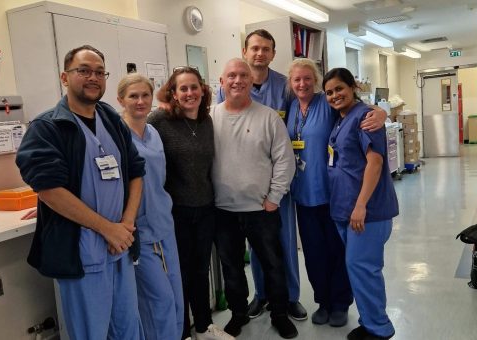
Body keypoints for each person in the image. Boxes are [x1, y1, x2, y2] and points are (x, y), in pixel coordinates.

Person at [15, 45, 145, 340]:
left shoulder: (111, 119)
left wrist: (125, 224)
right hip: (82, 252)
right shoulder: (48, 127)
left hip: (120, 247)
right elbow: (48, 189)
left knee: (128, 329)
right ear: (65, 76)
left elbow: (137, 172)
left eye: (100, 72)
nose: (93, 77)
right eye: (84, 70)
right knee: (91, 333)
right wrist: (108, 230)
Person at [217, 28, 306, 321]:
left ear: (273, 54)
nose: (259, 53)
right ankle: (262, 295)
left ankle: (290, 298)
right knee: (256, 251)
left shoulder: (285, 86)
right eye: (254, 48)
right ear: (245, 51)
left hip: (277, 184)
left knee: (281, 245)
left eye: (266, 49)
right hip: (237, 192)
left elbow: (307, 111)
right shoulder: (227, 87)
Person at [148, 67, 234, 340]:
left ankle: (204, 327)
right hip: (177, 212)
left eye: (193, 87)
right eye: (182, 89)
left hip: (206, 208)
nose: (189, 93)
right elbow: (132, 129)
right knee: (180, 273)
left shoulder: (206, 121)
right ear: (173, 94)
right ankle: (182, 331)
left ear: (203, 90)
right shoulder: (160, 120)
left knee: (201, 270)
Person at [322, 67, 398, 340]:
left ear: (352, 86)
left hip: (367, 212)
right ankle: (370, 321)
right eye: (329, 92)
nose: (334, 95)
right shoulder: (341, 118)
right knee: (358, 268)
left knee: (364, 268)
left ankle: (379, 328)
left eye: (339, 89)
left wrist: (361, 204)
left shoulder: (366, 118)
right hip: (345, 209)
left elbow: (375, 162)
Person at [286, 58, 354, 328]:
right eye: (296, 80)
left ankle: (340, 303)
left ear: (315, 80)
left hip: (331, 193)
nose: (302, 84)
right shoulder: (291, 107)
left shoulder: (327, 103)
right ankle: (323, 301)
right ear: (291, 84)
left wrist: (378, 113)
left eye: (307, 78)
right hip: (302, 195)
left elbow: (355, 110)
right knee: (313, 254)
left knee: (337, 251)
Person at [117, 73, 184, 340]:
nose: (140, 101)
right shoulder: (117, 136)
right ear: (121, 99)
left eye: (145, 95)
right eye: (133, 96)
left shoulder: (153, 132)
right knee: (159, 302)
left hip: (164, 226)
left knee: (176, 298)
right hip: (140, 233)